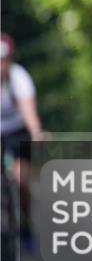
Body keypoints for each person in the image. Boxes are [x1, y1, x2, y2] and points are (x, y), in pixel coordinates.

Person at [1, 32, 45, 247]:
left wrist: (37, 132)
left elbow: (29, 111)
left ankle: (26, 224)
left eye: (4, 61)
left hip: (17, 131)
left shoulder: (18, 77)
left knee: (22, 180)